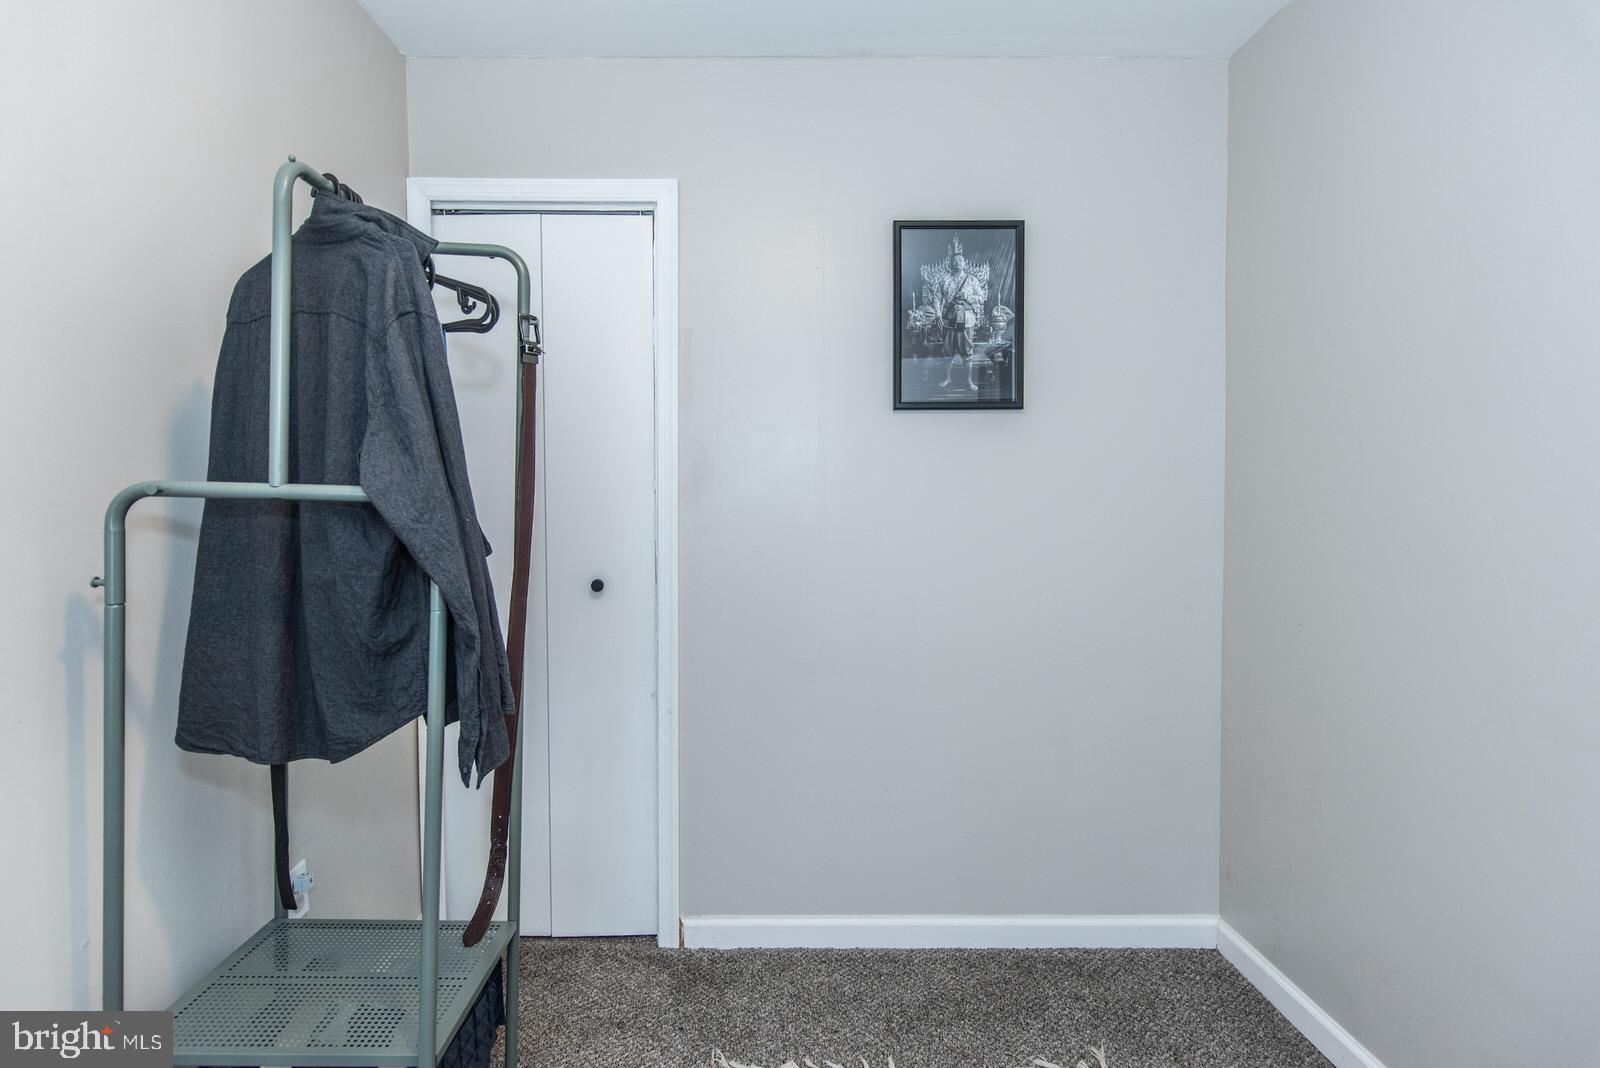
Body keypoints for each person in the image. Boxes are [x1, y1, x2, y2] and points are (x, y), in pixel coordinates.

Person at [937, 250, 987, 391]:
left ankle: (969, 381)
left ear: (965, 263)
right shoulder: (944, 279)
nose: (957, 262)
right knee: (947, 351)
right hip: (949, 318)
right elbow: (936, 297)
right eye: (954, 260)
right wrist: (937, 314)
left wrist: (968, 296)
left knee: (967, 351)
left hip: (966, 319)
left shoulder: (972, 280)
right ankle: (947, 378)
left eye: (960, 260)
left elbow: (982, 298)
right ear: (950, 263)